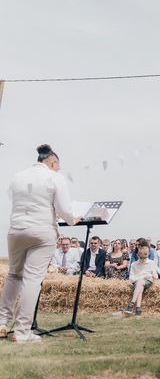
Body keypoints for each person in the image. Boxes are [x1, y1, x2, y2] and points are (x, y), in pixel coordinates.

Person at [0, 144, 82, 343]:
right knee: (32, 279)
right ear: (52, 162)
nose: (58, 169)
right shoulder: (55, 177)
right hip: (41, 231)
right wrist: (74, 219)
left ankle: (1, 323)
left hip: (16, 230)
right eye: (58, 166)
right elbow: (64, 209)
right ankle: (22, 331)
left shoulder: (18, 176)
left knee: (14, 274)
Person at [124, 244, 157, 316]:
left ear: (147, 255)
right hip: (137, 282)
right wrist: (140, 277)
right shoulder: (134, 264)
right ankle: (138, 309)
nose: (143, 260)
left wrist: (150, 275)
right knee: (140, 285)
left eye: (144, 258)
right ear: (138, 255)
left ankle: (131, 304)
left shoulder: (152, 263)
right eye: (141, 258)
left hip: (148, 281)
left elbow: (156, 276)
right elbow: (131, 278)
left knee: (140, 283)